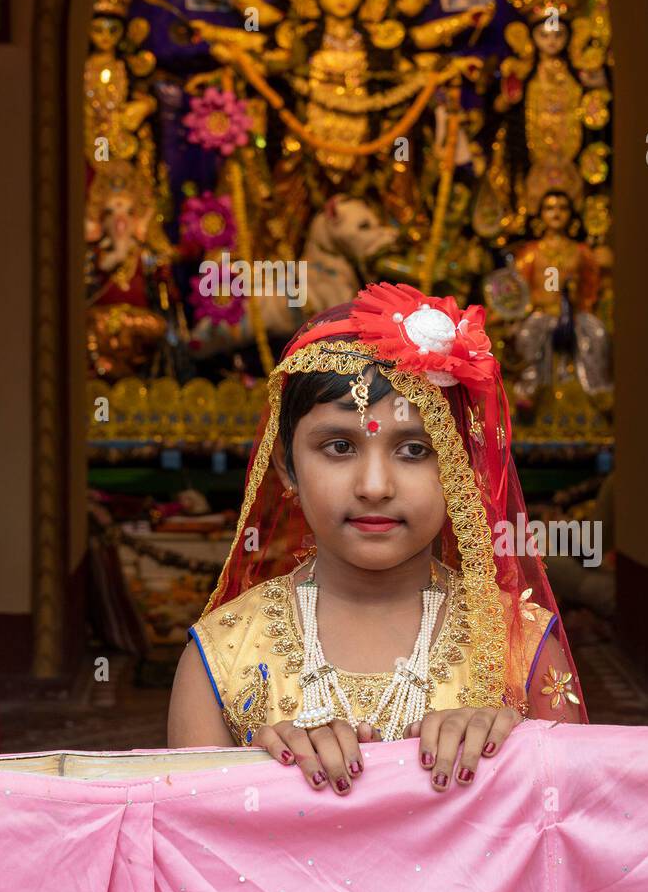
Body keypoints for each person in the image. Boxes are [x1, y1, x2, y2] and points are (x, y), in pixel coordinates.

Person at [168, 281, 588, 796]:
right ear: (286, 466)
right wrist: (257, 779)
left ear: (463, 465)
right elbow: (193, 851)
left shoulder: (521, 648)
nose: (374, 487)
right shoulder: (220, 655)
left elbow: (568, 835)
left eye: (414, 450)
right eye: (339, 446)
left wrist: (515, 750)